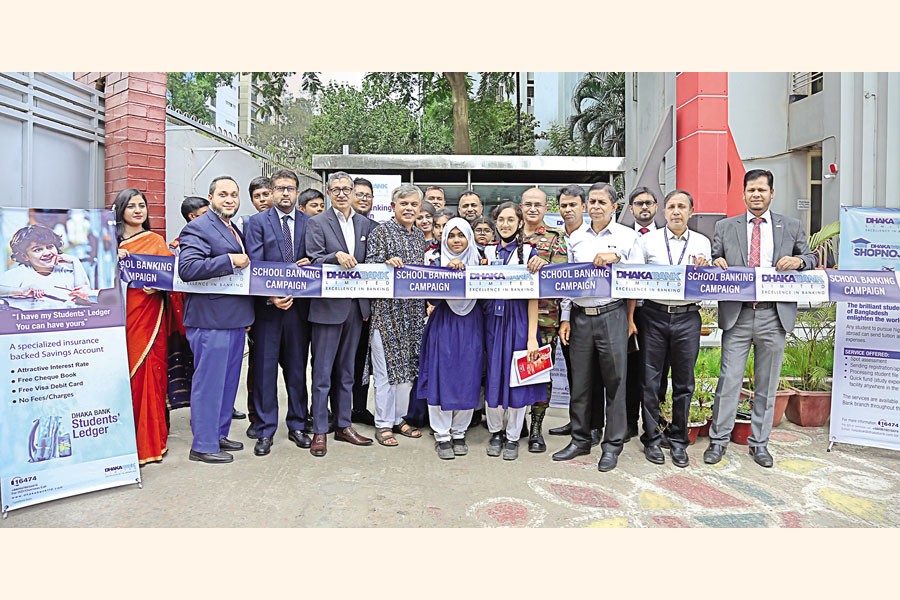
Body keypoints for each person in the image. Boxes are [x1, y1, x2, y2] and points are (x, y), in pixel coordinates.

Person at [704, 169, 816, 468]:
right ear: (743, 194)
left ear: (771, 193)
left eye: (761, 190)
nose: (756, 194)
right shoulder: (725, 227)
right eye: (751, 190)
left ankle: (759, 443)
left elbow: (811, 258)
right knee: (729, 380)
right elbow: (713, 259)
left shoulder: (790, 226)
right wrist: (716, 262)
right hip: (737, 315)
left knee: (767, 385)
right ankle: (718, 441)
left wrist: (798, 261)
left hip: (773, 315)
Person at [557, 183, 644, 472]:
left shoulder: (627, 237)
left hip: (612, 314)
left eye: (601, 202)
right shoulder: (576, 238)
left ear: (614, 206)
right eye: (592, 202)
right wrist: (566, 317)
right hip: (580, 316)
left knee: (615, 382)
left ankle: (612, 445)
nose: (595, 207)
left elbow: (639, 277)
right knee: (581, 382)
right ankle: (580, 439)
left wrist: (617, 258)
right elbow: (568, 282)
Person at [178, 175, 254, 464]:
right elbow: (188, 268)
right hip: (209, 320)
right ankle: (203, 444)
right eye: (223, 194)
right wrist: (230, 261)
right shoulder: (198, 227)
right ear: (211, 198)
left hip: (233, 318)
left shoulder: (232, 228)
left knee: (227, 384)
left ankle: (218, 434)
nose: (230, 199)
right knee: (209, 384)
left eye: (234, 194)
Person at [305, 171, 378, 457]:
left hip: (356, 307)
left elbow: (373, 262)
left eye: (347, 189)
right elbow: (312, 259)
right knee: (322, 373)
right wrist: (334, 257)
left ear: (353, 192)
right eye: (335, 189)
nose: (342, 194)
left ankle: (344, 425)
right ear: (328, 193)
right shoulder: (317, 222)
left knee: (347, 372)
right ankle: (320, 429)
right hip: (327, 309)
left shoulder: (365, 224)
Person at [243, 169, 313, 456]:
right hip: (267, 311)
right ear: (271, 192)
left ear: (297, 192)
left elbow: (316, 260)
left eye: (290, 188)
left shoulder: (310, 222)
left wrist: (310, 267)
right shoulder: (257, 223)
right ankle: (264, 430)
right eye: (280, 188)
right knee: (264, 372)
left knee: (297, 370)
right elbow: (254, 264)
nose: (285, 193)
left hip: (299, 310)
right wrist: (271, 295)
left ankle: (298, 424)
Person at [638, 190, 711, 467]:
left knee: (684, 382)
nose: (676, 211)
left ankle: (679, 440)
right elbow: (634, 277)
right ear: (664, 211)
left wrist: (706, 268)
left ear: (691, 212)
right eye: (671, 207)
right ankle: (652, 437)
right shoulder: (648, 241)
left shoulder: (702, 242)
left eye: (682, 207)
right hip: (653, 315)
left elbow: (707, 282)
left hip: (687, 317)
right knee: (650, 381)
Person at [365, 184, 427, 446]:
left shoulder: (420, 237)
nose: (409, 208)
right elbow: (368, 267)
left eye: (414, 204)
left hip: (413, 314)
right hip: (386, 314)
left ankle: (399, 419)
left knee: (407, 372)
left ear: (419, 208)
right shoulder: (381, 232)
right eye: (404, 204)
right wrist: (385, 264)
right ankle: (382, 423)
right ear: (393, 207)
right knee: (385, 372)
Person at [113, 189, 171, 465]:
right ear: (120, 210)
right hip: (117, 318)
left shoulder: (155, 241)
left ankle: (150, 443)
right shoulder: (109, 244)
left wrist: (159, 286)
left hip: (149, 317)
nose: (138, 211)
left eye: (142, 206)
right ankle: (120, 442)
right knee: (120, 376)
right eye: (131, 206)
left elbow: (171, 278)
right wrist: (112, 259)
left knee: (148, 375)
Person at [482, 202, 543, 461]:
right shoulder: (487, 250)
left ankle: (513, 436)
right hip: (491, 323)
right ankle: (496, 431)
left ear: (520, 223)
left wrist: (531, 338)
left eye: (510, 219)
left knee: (518, 380)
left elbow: (533, 298)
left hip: (519, 322)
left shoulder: (529, 252)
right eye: (501, 220)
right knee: (493, 377)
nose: (505, 224)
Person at [418, 218, 483, 459]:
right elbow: (432, 299)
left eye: (461, 235)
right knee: (441, 375)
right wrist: (446, 273)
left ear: (469, 238)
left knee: (468, 376)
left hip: (472, 325)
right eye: (451, 235)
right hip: (444, 323)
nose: (456, 240)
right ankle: (442, 435)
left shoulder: (481, 261)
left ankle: (459, 432)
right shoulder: (435, 261)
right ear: (444, 239)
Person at [547, 185, 605, 447]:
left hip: (585, 312)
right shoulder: (557, 237)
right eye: (563, 206)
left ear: (584, 207)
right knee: (574, 372)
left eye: (573, 205)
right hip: (559, 314)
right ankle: (577, 420)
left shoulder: (592, 238)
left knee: (593, 373)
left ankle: (595, 425)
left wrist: (567, 316)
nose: (568, 210)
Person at [519, 187, 566, 452]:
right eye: (528, 204)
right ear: (521, 207)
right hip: (512, 317)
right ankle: (517, 422)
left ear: (546, 208)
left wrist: (545, 267)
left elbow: (562, 277)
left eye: (538, 204)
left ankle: (536, 426)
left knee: (540, 373)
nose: (533, 209)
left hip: (545, 319)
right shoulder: (509, 233)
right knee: (512, 370)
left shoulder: (554, 238)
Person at [624, 187, 662, 442]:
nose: (644, 207)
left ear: (656, 207)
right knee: (629, 369)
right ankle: (629, 423)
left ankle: (656, 424)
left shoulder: (664, 238)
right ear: (631, 209)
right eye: (639, 203)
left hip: (655, 310)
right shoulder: (624, 236)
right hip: (627, 311)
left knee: (657, 370)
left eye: (649, 203)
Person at [165, 196, 209, 413]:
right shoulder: (178, 245)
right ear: (192, 217)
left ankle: (223, 407)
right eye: (205, 214)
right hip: (188, 309)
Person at [0, 224, 91, 309]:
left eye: (50, 247)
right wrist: (22, 291)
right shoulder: (20, 273)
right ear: (25, 256)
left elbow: (84, 294)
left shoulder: (65, 272)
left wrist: (76, 262)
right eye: (38, 250)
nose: (47, 253)